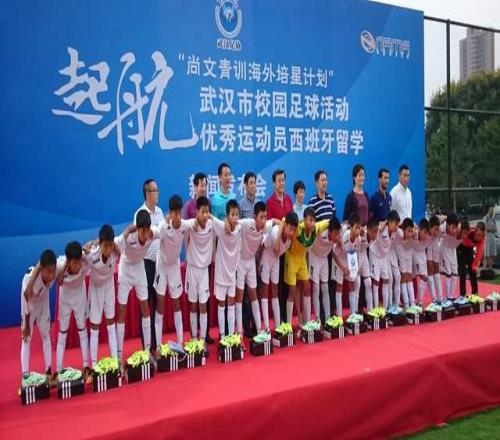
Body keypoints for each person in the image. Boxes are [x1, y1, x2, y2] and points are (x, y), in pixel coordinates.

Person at [115, 210, 159, 365]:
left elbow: (166, 227)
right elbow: (112, 243)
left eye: (147, 230)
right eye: (142, 230)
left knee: (145, 308)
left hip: (140, 269)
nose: (145, 234)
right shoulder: (128, 236)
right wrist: (127, 230)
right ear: (137, 229)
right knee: (122, 310)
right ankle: (118, 358)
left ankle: (147, 352)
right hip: (125, 270)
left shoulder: (152, 234)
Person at [284, 207, 329, 326]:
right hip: (292, 258)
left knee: (307, 287)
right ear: (304, 220)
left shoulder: (316, 228)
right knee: (292, 290)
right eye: (310, 220)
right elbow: (284, 221)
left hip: (302, 259)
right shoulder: (299, 228)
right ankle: (288, 325)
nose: (312, 223)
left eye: (314, 220)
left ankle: (307, 322)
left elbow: (327, 222)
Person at [154, 195, 189, 347]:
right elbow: (152, 232)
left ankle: (180, 343)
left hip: (174, 267)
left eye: (180, 212)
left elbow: (199, 223)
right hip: (161, 266)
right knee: (160, 304)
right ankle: (159, 346)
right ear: (170, 213)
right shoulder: (163, 227)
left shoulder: (185, 226)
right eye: (175, 213)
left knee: (176, 303)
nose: (178, 216)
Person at [83, 225, 120, 369]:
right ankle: (93, 365)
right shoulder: (91, 255)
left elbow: (120, 245)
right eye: (105, 246)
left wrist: (112, 244)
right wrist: (92, 243)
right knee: (95, 325)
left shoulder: (115, 252)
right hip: (96, 289)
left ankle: (115, 360)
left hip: (109, 287)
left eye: (111, 245)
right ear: (100, 243)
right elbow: (79, 252)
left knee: (111, 322)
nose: (108, 249)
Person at [236, 202, 275, 332]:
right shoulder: (247, 223)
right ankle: (239, 334)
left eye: (265, 217)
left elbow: (275, 221)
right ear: (254, 217)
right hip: (240, 260)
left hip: (251, 262)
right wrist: (226, 223)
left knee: (253, 294)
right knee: (240, 296)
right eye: (261, 217)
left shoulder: (266, 225)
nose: (263, 221)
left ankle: (259, 330)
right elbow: (233, 221)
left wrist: (282, 225)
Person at [134, 179, 163, 353]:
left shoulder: (160, 212)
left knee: (157, 303)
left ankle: (155, 342)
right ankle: (145, 345)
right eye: (154, 190)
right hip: (145, 264)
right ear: (147, 193)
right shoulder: (140, 213)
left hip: (159, 263)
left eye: (157, 190)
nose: (157, 193)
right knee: (146, 304)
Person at [55, 241, 90, 379]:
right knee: (63, 332)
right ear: (68, 261)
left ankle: (86, 366)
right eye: (74, 263)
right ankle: (58, 370)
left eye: (79, 262)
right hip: (65, 299)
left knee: (82, 329)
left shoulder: (85, 261)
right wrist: (64, 267)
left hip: (80, 297)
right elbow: (58, 281)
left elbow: (97, 245)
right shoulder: (59, 265)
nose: (78, 266)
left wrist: (87, 248)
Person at [20, 249, 57, 378]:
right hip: (28, 304)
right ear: (41, 269)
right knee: (26, 337)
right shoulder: (29, 282)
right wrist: (27, 324)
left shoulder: (54, 270)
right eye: (48, 272)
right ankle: (25, 375)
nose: (51, 275)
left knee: (46, 334)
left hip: (43, 302)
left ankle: (48, 371)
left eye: (53, 271)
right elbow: (26, 301)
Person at [184, 196, 213, 347]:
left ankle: (202, 341)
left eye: (207, 212)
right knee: (193, 305)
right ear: (197, 212)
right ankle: (194, 339)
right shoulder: (190, 225)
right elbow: (178, 224)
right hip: (192, 269)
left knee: (203, 306)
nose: (205, 215)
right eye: (203, 212)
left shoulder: (212, 224)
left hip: (204, 271)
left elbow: (227, 225)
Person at [260, 213, 298, 328]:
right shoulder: (274, 232)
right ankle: (266, 327)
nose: (291, 232)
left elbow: (280, 251)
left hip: (276, 260)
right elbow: (262, 246)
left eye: (294, 230)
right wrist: (257, 262)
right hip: (265, 257)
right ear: (285, 225)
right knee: (265, 290)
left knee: (275, 290)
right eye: (290, 229)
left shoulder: (289, 241)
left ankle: (278, 326)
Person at [266, 169, 294, 321]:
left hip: (289, 248)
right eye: (279, 180)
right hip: (276, 250)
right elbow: (270, 223)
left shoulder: (289, 199)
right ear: (273, 183)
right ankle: (280, 319)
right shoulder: (270, 202)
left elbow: (292, 222)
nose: (282, 183)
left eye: (283, 180)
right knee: (278, 286)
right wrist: (283, 223)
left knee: (288, 284)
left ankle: (287, 319)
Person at [309, 217, 341, 321]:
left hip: (324, 258)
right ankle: (317, 318)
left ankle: (327, 318)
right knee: (316, 287)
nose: (337, 236)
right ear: (329, 231)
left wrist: (339, 242)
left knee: (325, 287)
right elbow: (312, 227)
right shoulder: (321, 231)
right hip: (314, 256)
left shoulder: (338, 235)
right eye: (335, 234)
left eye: (338, 233)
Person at [457, 221, 486, 296]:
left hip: (469, 249)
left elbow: (479, 254)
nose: (478, 237)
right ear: (475, 230)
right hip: (461, 247)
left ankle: (475, 294)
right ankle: (462, 295)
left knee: (473, 272)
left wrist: (475, 265)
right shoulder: (469, 231)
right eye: (477, 234)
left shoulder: (481, 240)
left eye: (480, 236)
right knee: (462, 272)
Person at [439, 213, 462, 299]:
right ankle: (447, 297)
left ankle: (451, 296)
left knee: (455, 273)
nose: (454, 230)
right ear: (447, 225)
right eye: (453, 227)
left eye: (456, 227)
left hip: (452, 248)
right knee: (448, 273)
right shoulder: (441, 228)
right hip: (444, 248)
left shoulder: (458, 227)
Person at [412, 219, 431, 306]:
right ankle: (412, 301)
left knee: (425, 278)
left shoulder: (429, 236)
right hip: (413, 255)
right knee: (413, 278)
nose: (426, 235)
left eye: (427, 233)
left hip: (422, 255)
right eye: (424, 232)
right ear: (419, 230)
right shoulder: (414, 234)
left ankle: (419, 301)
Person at [426, 215, 443, 302]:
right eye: (435, 229)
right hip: (427, 247)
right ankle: (434, 299)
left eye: (438, 229)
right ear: (430, 227)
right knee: (430, 269)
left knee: (436, 268)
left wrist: (443, 218)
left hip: (435, 244)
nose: (436, 232)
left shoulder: (439, 232)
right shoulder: (426, 234)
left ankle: (440, 297)